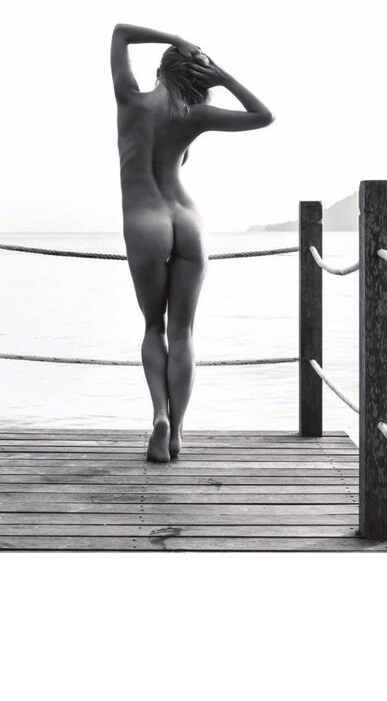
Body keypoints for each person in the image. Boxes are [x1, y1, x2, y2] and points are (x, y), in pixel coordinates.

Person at [110, 23, 275, 462]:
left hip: (144, 221)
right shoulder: (194, 115)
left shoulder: (129, 101)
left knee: (154, 327)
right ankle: (178, 432)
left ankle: (159, 416)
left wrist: (176, 39)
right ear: (197, 79)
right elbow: (263, 116)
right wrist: (224, 77)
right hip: (187, 220)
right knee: (183, 331)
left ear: (161, 70)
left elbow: (121, 32)